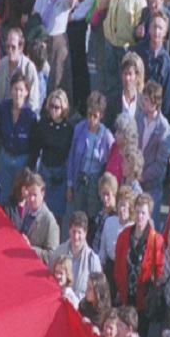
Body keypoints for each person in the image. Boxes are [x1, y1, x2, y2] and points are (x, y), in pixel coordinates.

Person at [66, 92, 114, 237]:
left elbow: (110, 162)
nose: (91, 119)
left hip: (95, 182)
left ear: (101, 115)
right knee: (78, 215)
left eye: (95, 116)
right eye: (89, 114)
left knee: (92, 218)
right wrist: (70, 185)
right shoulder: (79, 129)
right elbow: (72, 158)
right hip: (80, 178)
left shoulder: (106, 135)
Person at [99, 0, 146, 94]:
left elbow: (141, 18)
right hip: (110, 42)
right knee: (110, 83)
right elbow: (100, 4)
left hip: (125, 47)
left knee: (124, 85)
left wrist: (138, 31)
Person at [114, 194, 164, 319]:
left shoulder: (156, 240)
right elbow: (118, 265)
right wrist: (120, 288)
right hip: (125, 297)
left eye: (143, 213)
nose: (140, 216)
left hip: (143, 301)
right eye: (137, 212)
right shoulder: (124, 235)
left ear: (149, 215)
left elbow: (159, 271)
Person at [32, 0, 76, 102]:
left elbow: (73, 1)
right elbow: (36, 12)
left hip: (57, 41)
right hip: (42, 37)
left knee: (56, 77)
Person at [28, 89, 73, 223]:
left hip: (60, 175)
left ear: (63, 108)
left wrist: (70, 185)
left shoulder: (69, 128)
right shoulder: (43, 124)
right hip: (45, 173)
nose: (53, 110)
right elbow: (35, 150)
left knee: (56, 217)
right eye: (51, 106)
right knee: (40, 212)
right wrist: (30, 172)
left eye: (57, 107)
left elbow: (71, 156)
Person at [0, 71, 38, 201]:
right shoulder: (3, 108)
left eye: (21, 90)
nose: (18, 93)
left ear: (26, 92)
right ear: (10, 90)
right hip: (5, 158)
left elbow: (34, 146)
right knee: (2, 198)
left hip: (22, 161)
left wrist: (28, 169)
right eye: (15, 89)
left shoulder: (31, 116)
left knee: (19, 199)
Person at [0, 28, 40, 137]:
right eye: (7, 47)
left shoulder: (29, 68)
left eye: (13, 47)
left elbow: (33, 103)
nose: (9, 50)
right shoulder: (2, 65)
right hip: (3, 123)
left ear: (21, 48)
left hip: (22, 126)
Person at [137, 82, 170, 222]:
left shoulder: (165, 130)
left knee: (150, 225)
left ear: (155, 103)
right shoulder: (139, 118)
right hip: (136, 182)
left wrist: (142, 176)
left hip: (152, 188)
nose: (143, 102)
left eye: (146, 99)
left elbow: (160, 165)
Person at [49, 211, 101, 299]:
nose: (76, 237)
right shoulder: (58, 252)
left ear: (85, 233)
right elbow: (49, 278)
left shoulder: (93, 260)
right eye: (74, 231)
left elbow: (98, 292)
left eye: (79, 232)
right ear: (69, 231)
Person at [20, 173, 59, 264]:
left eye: (35, 195)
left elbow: (52, 256)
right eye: (30, 195)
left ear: (42, 194)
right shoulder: (27, 209)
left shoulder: (49, 221)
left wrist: (29, 248)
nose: (31, 199)